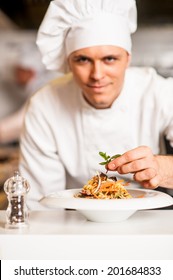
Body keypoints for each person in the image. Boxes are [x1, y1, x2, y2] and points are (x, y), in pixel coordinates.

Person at [19, 0, 173, 210]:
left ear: (127, 59)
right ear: (68, 61)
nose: (97, 75)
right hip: (75, 223)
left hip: (153, 221)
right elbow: (40, 205)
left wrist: (162, 168)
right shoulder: (45, 105)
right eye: (83, 60)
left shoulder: (159, 92)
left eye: (109, 59)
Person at [0, 45, 58, 144]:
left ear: (30, 71)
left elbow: (21, 123)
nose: (15, 75)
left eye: (19, 71)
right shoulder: (41, 88)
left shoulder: (44, 91)